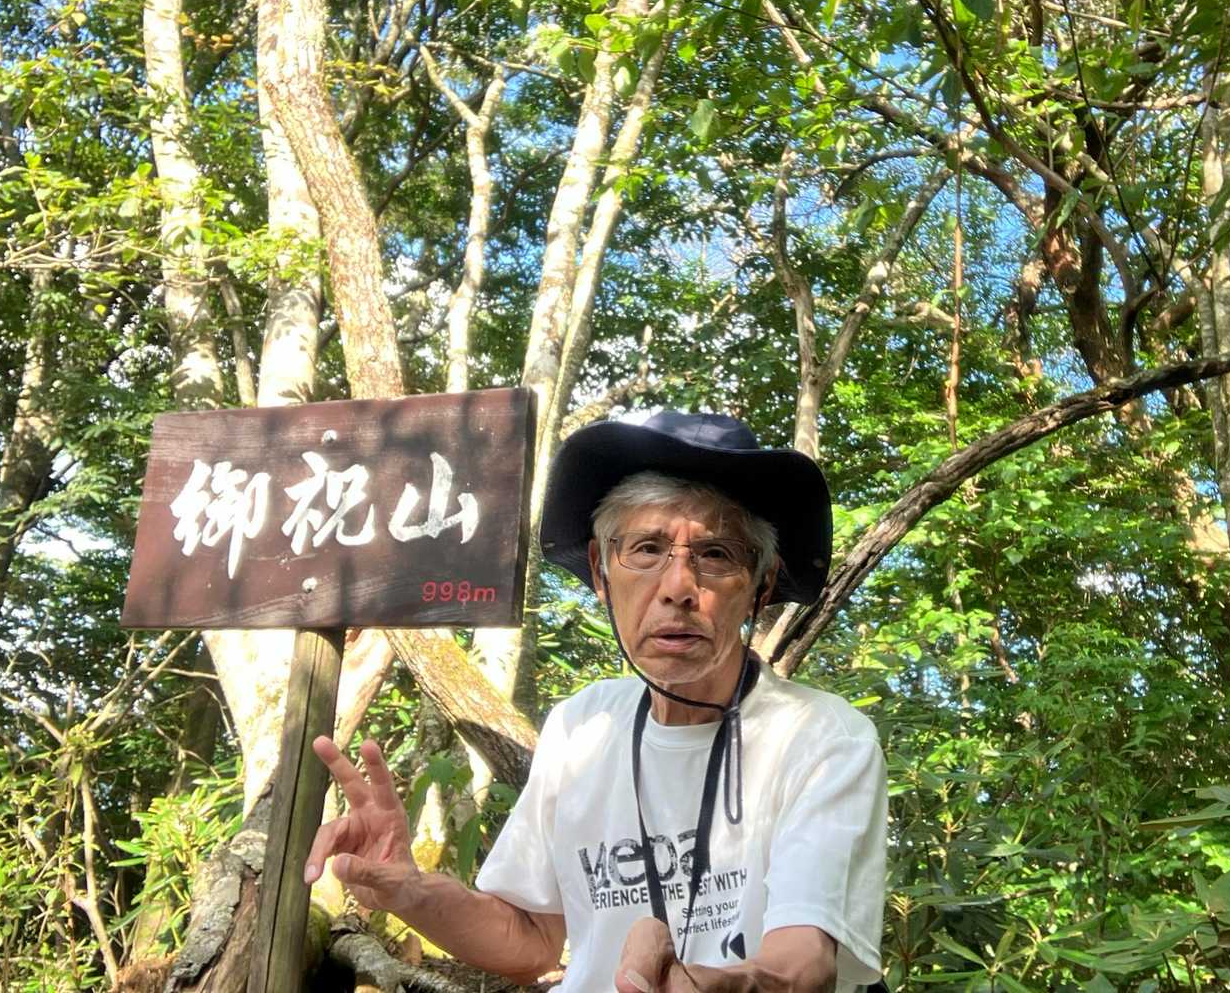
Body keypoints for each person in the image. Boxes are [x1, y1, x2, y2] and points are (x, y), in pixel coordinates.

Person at [305, 411, 887, 993]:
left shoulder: (820, 738)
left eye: (715, 554)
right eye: (646, 548)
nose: (678, 588)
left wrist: (722, 985)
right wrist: (408, 889)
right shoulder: (581, 726)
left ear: (762, 583)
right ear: (600, 571)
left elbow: (803, 961)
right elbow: (529, 939)